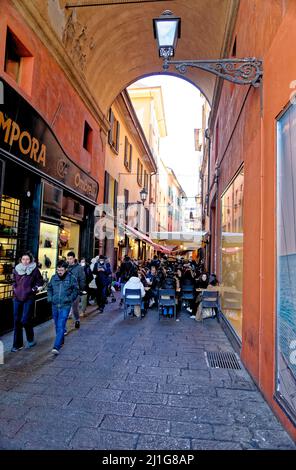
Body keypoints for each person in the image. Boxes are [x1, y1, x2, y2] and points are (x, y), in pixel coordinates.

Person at [11, 251, 43, 352]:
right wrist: (14, 288)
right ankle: (17, 345)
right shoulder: (16, 269)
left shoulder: (34, 270)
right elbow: (13, 281)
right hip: (17, 298)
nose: (25, 261)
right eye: (23, 259)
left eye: (27, 259)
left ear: (31, 260)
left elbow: (40, 281)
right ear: (21, 260)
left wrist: (33, 290)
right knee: (16, 321)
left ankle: (30, 339)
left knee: (25, 320)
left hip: (28, 298)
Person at [47, 261, 79, 355]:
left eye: (61, 270)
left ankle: (56, 346)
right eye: (58, 270)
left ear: (66, 270)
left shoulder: (71, 278)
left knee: (61, 325)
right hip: (55, 304)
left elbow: (76, 290)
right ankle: (61, 341)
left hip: (65, 305)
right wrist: (50, 298)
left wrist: (69, 299)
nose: (59, 272)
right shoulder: (54, 278)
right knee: (57, 325)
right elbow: (49, 288)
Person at [67, 251, 86, 328]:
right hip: (66, 291)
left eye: (70, 258)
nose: (69, 260)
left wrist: (81, 289)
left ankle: (77, 319)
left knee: (75, 308)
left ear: (74, 258)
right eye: (68, 258)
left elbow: (82, 279)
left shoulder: (79, 268)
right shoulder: (65, 267)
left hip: (75, 290)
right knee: (65, 308)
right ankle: (63, 328)